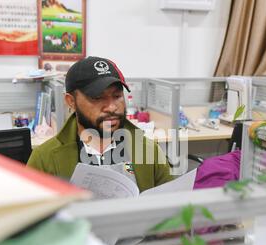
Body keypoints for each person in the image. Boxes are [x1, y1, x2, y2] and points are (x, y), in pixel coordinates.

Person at [27, 56, 173, 192]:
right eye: (97, 98)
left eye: (117, 96)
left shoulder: (149, 150)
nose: (111, 107)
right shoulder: (44, 159)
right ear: (71, 101)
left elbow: (170, 205)